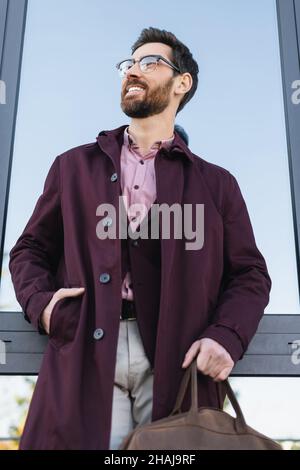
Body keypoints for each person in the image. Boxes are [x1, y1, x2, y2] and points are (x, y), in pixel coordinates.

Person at [9, 27, 271, 450]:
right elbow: (29, 251)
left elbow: (250, 275)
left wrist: (227, 335)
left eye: (150, 63)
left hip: (177, 359)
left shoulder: (217, 184)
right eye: (128, 64)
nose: (133, 71)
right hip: (87, 350)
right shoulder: (72, 167)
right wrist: (44, 306)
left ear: (181, 83)